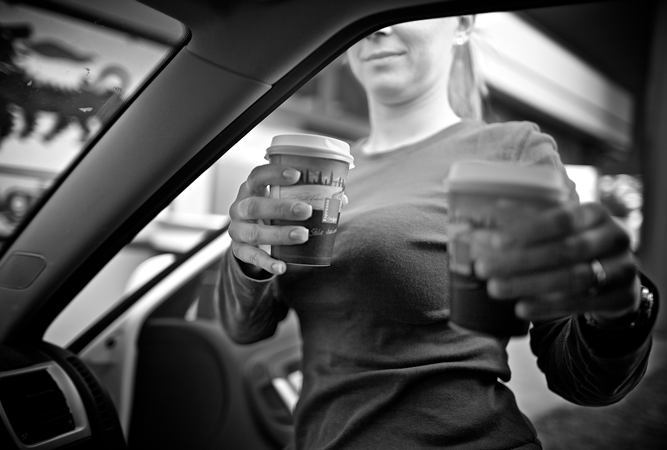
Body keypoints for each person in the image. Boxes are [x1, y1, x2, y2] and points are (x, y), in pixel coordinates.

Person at [214, 16, 658, 449]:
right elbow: (244, 327)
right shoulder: (325, 174)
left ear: (462, 23)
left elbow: (581, 379)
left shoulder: (509, 152)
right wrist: (248, 258)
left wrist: (615, 310)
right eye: (360, 8)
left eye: (397, 6)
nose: (377, 27)